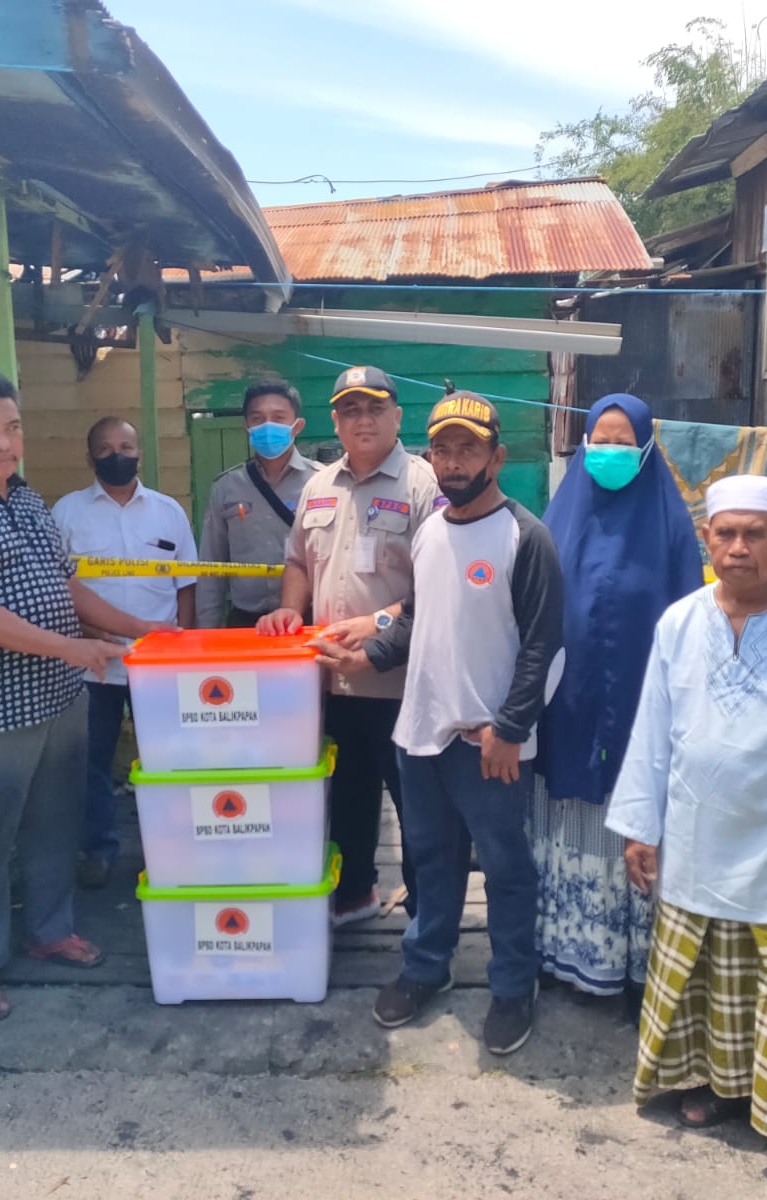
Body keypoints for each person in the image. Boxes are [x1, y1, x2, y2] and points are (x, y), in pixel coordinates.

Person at [607, 474, 767, 1200]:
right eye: (725, 533)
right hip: (696, 837)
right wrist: (641, 825)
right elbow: (653, 732)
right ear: (707, 539)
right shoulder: (679, 623)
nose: (738, 548)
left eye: (756, 533)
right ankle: (730, 1091)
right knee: (716, 979)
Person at [0, 367, 163, 1024]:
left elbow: (67, 587)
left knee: (56, 825)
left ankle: (50, 931)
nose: (3, 443)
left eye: (12, 427)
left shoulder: (26, 502)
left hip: (60, 701)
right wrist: (73, 648)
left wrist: (145, 632)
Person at [316, 394, 564, 1055]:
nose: (455, 462)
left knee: (507, 868)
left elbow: (545, 647)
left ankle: (513, 985)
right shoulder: (429, 530)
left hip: (487, 743)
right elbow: (417, 621)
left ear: (497, 457)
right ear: (432, 457)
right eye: (444, 449)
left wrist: (511, 729)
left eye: (470, 448)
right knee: (431, 859)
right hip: (418, 734)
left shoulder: (525, 537)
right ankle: (427, 967)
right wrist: (366, 653)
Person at [533, 394, 703, 1001]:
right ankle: (566, 958)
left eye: (622, 441)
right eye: (598, 440)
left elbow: (693, 621)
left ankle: (640, 970)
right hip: (570, 705)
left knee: (637, 823)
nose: (608, 452)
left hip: (644, 706)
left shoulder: (671, 526)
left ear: (648, 448)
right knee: (575, 818)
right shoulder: (558, 520)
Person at [259, 365, 440, 923]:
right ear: (335, 421)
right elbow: (297, 561)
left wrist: (379, 626)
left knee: (417, 806)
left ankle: (427, 911)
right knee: (350, 795)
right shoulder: (317, 485)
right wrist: (291, 605)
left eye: (375, 408)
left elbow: (436, 583)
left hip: (400, 681)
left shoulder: (421, 483)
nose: (364, 420)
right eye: (351, 410)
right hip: (331, 678)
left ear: (398, 417)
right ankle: (356, 892)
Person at [52, 416, 198, 888]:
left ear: (140, 452)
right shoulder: (66, 513)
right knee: (91, 761)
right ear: (89, 455)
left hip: (159, 662)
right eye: (107, 447)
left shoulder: (168, 511)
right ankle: (99, 848)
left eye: (126, 446)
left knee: (170, 760)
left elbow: (188, 584)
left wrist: (185, 647)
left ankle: (178, 846)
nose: (118, 454)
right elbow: (59, 589)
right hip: (94, 662)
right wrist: (87, 634)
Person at [197, 379, 317, 628]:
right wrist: (205, 632)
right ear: (246, 427)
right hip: (245, 622)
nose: (267, 425)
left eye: (278, 417)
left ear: (297, 426)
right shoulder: (226, 487)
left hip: (308, 619)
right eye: (258, 419)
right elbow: (211, 568)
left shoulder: (322, 482)